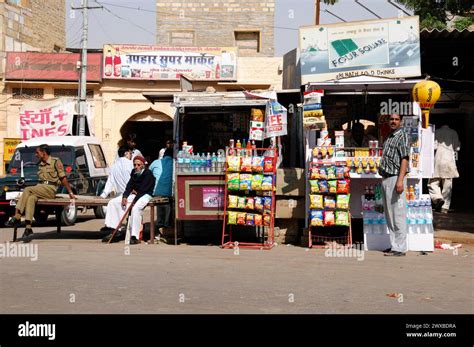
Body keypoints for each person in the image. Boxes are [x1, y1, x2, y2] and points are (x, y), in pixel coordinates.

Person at [4, 144, 75, 240]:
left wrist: (70, 192)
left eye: (37, 152)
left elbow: (63, 177)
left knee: (27, 189)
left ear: (43, 153)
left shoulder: (55, 161)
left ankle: (17, 217)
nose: (36, 155)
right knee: (31, 198)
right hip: (41, 187)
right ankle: (28, 228)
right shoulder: (40, 164)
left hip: (50, 188)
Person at [101, 156, 155, 244]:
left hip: (145, 195)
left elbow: (143, 189)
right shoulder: (134, 172)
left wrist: (135, 201)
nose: (136, 167)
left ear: (142, 165)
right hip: (135, 194)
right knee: (113, 202)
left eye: (138, 165)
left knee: (136, 209)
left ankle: (134, 236)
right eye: (134, 165)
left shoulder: (148, 173)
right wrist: (125, 196)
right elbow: (129, 185)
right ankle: (114, 228)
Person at [378, 114, 410, 257]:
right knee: (390, 215)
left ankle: (400, 248)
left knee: (398, 214)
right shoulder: (389, 136)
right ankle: (394, 245)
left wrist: (400, 180)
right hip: (386, 178)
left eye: (396, 119)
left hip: (395, 178)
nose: (393, 121)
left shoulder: (402, 135)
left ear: (400, 122)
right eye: (392, 119)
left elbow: (405, 159)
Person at [428, 125, 461, 213]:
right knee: (447, 185)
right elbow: (457, 148)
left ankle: (437, 198)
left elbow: (434, 147)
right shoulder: (454, 132)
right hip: (449, 161)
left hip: (438, 161)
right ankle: (445, 207)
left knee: (433, 182)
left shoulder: (436, 132)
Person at [149, 148, 174, 239]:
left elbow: (149, 173)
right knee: (168, 203)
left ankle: (160, 224)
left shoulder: (155, 162)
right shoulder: (175, 163)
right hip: (169, 193)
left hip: (156, 192)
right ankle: (166, 224)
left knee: (162, 203)